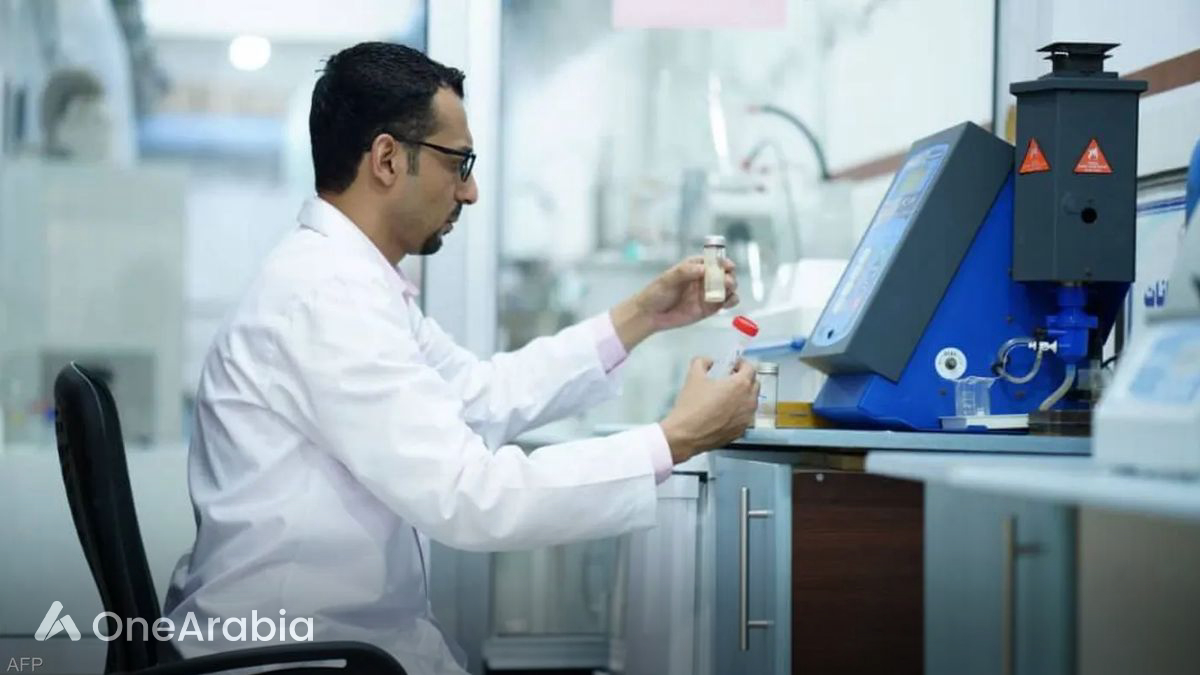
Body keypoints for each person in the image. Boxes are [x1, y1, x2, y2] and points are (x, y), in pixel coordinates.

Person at [163, 42, 758, 674]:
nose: (470, 192)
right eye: (459, 162)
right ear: (387, 159)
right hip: (296, 656)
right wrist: (675, 438)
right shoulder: (326, 298)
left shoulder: (351, 284)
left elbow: (480, 395)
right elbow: (472, 496)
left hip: (337, 643)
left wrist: (642, 316)